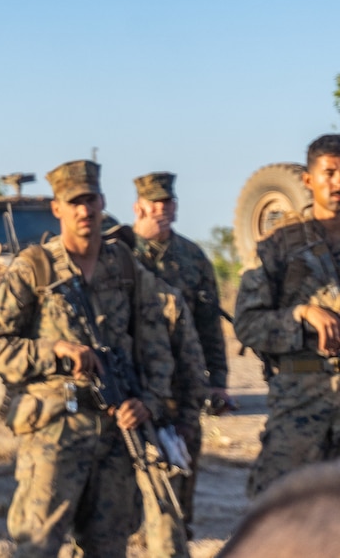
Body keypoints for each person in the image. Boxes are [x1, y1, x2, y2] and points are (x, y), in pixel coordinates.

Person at [0, 160, 177, 557]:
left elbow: (155, 345)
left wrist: (149, 403)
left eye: (90, 200)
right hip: (54, 432)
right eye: (74, 202)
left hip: (116, 431)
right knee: (38, 547)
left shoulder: (124, 266)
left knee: (109, 548)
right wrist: (54, 352)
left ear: (103, 201)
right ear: (58, 208)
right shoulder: (33, 267)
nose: (84, 210)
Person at [234, 133, 340, 497]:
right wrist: (302, 314)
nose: (338, 183)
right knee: (276, 510)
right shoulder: (278, 246)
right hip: (301, 402)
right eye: (330, 173)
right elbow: (248, 325)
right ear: (309, 181)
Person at [131, 171, 224, 542]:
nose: (160, 209)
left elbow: (210, 326)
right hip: (136, 385)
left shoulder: (192, 256)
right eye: (153, 203)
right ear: (138, 207)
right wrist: (139, 242)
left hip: (181, 386)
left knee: (180, 481)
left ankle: (177, 537)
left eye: (166, 202)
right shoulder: (121, 250)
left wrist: (217, 382)